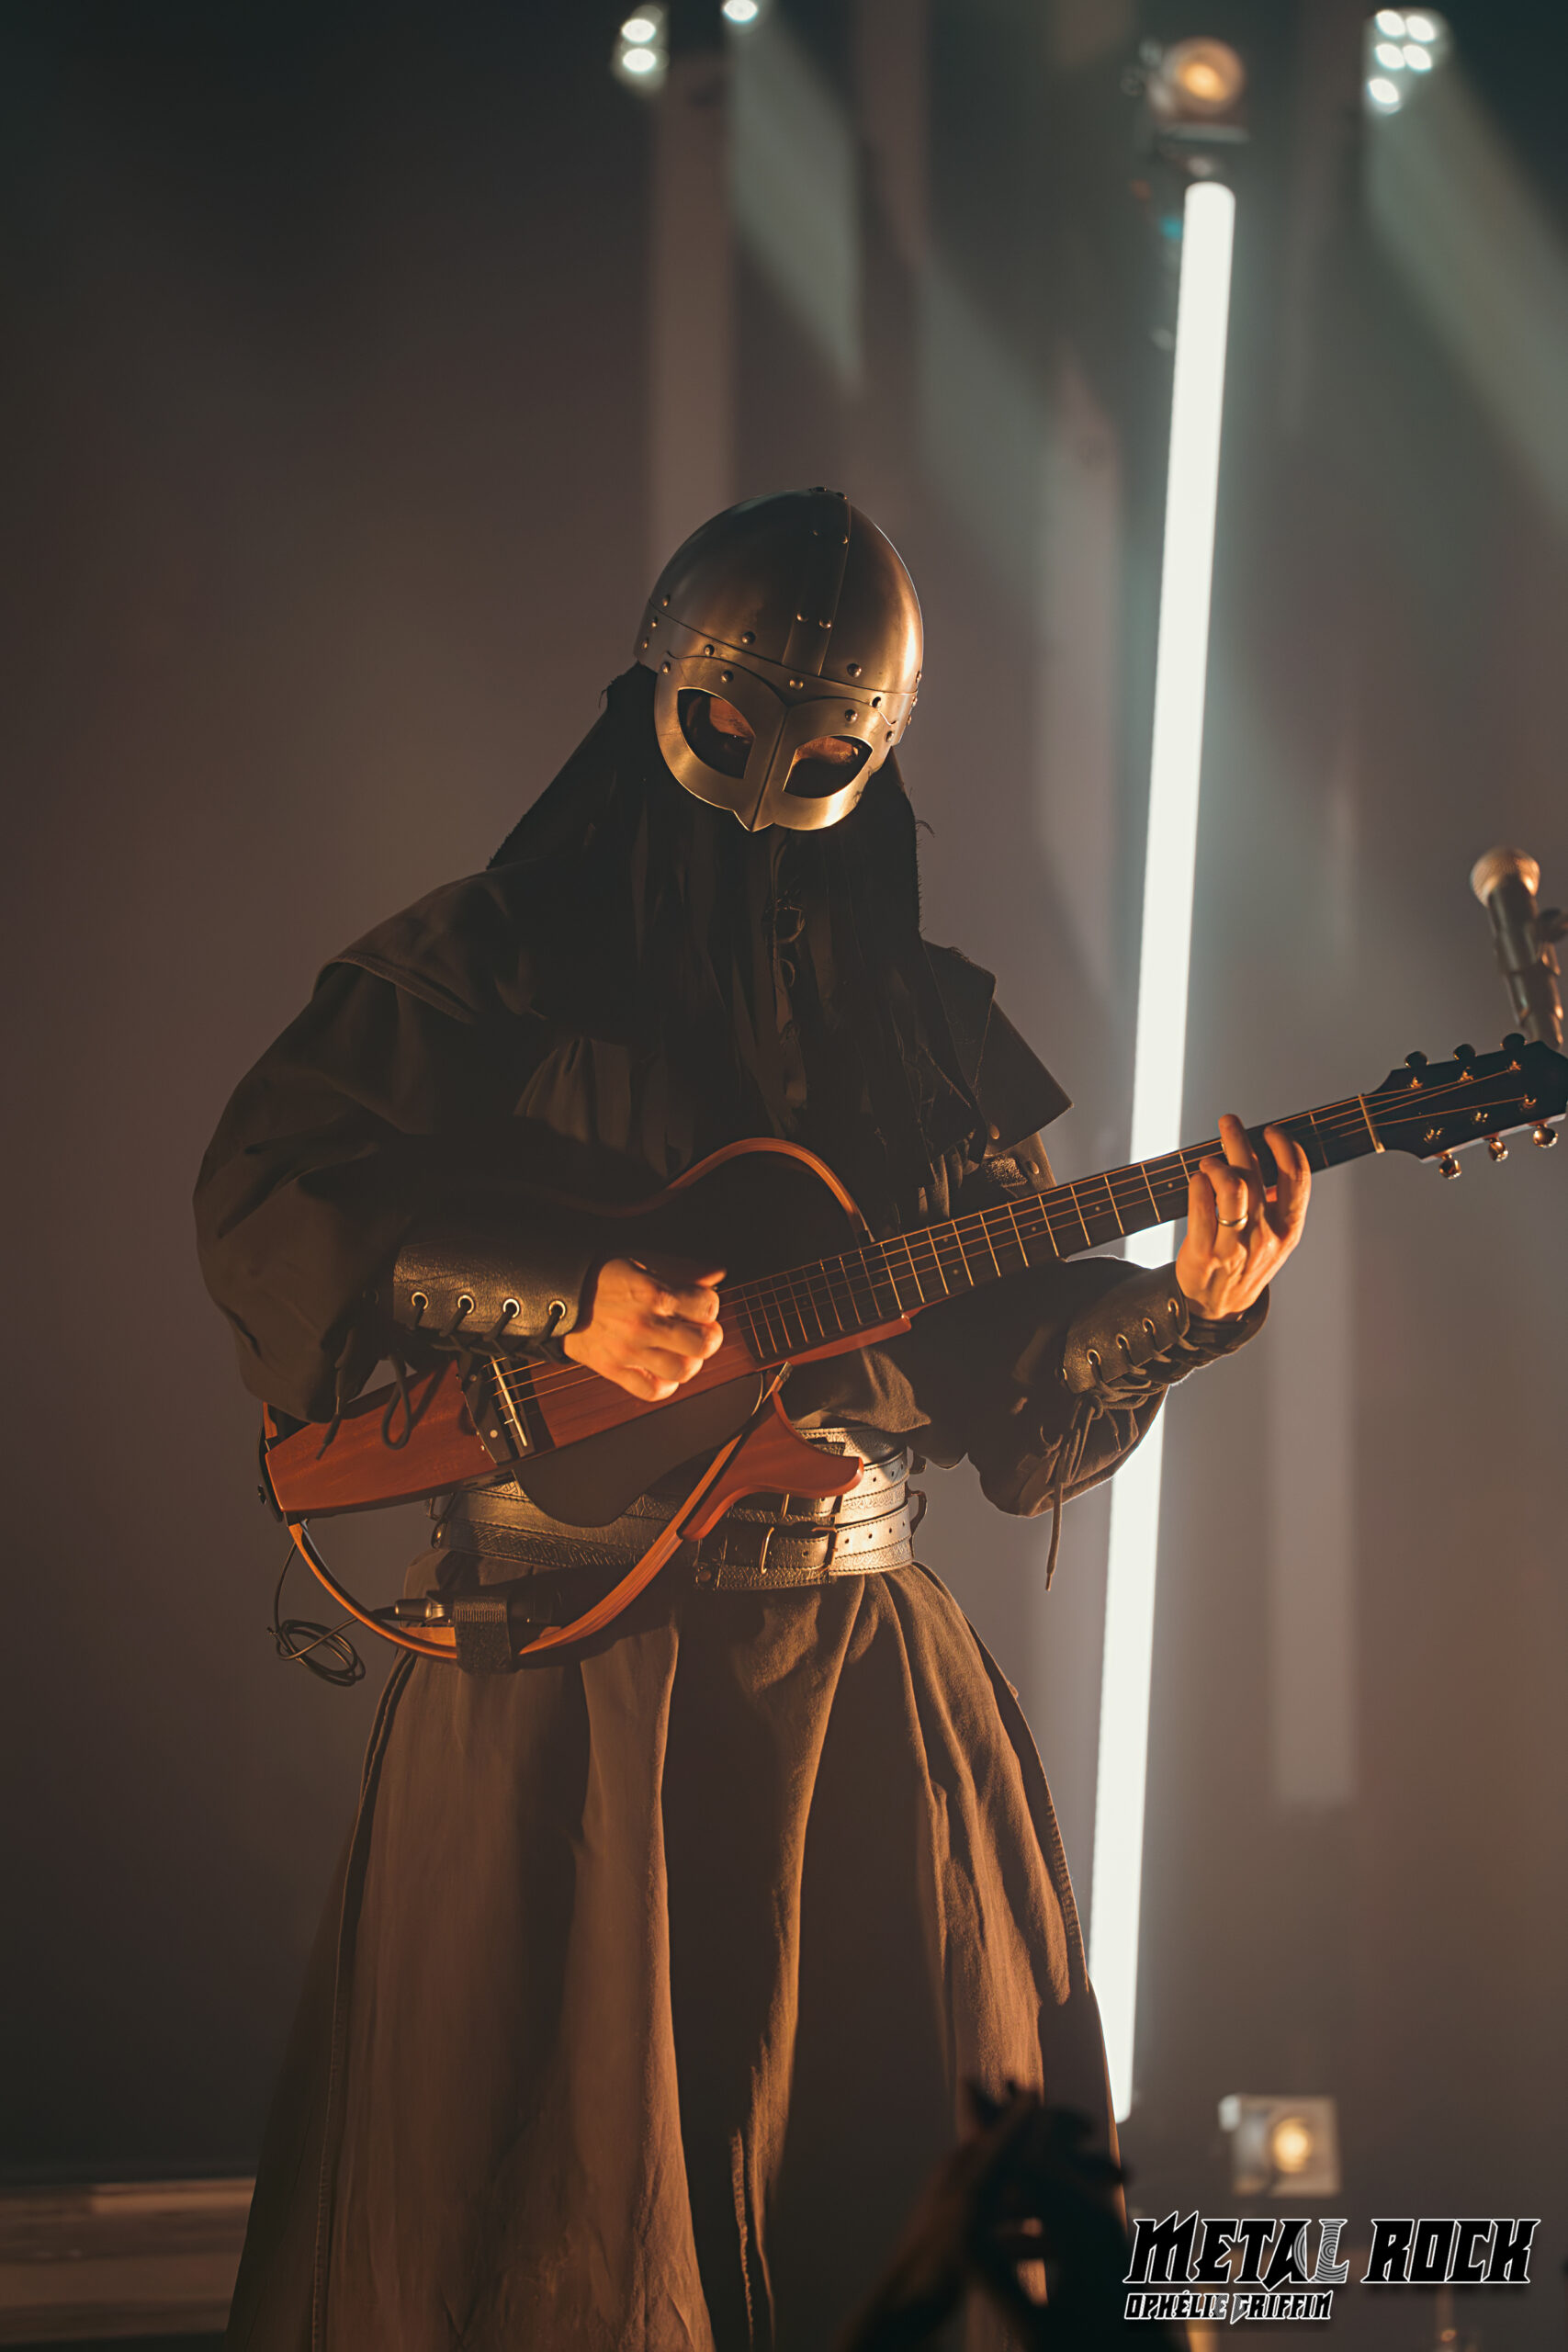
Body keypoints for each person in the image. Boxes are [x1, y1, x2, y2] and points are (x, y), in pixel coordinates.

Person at [197, 489, 1309, 2352]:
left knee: (889, 2225)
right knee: (542, 2237)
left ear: (879, 755)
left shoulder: (924, 1027)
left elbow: (1011, 1396)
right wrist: (566, 1291)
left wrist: (1186, 1306)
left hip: (852, 1695)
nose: (763, 775)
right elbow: (268, 1199)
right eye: (726, 721)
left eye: (821, 750)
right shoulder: (492, 959)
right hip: (561, 1687)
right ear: (656, 688)